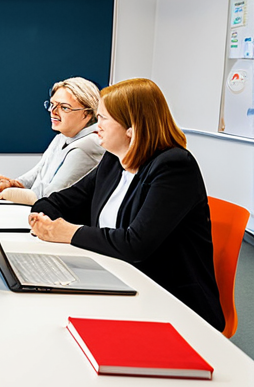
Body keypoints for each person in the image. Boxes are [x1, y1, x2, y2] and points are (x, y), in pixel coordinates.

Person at [28, 78, 225, 331]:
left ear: (132, 128)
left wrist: (68, 232)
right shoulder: (113, 160)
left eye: (103, 119)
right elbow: (61, 201)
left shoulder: (174, 167)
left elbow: (135, 244)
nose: (96, 127)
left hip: (169, 300)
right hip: (115, 276)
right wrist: (41, 216)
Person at [0, 77, 104, 205]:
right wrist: (13, 184)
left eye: (64, 108)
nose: (53, 112)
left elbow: (50, 195)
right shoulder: (62, 137)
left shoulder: (87, 146)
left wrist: (3, 194)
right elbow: (39, 173)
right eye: (52, 104)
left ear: (86, 114)